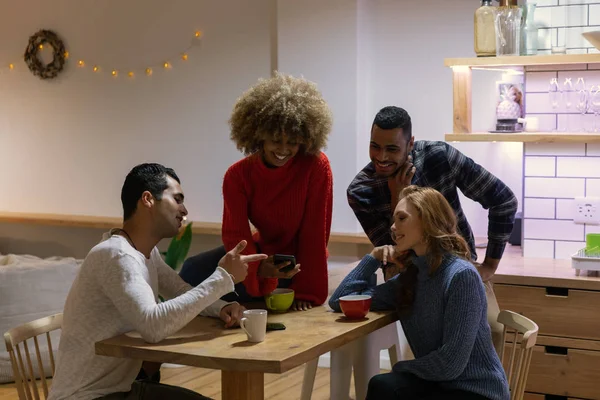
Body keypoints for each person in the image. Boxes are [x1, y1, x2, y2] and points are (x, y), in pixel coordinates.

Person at [48, 163, 266, 400]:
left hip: (121, 390)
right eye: (177, 199)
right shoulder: (117, 255)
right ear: (148, 199)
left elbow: (180, 290)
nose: (184, 210)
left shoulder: (143, 254)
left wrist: (221, 306)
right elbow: (153, 326)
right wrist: (223, 278)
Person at [346, 106, 518, 353]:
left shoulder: (439, 157)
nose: (381, 157)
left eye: (392, 149)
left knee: (493, 331)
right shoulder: (361, 191)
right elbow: (396, 258)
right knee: (430, 346)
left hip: (460, 270)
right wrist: (398, 198)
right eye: (375, 146)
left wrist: (490, 266)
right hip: (412, 278)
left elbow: (503, 200)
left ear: (410, 144)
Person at [329, 186, 510, 400]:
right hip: (440, 384)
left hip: (476, 391)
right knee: (382, 385)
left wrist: (401, 368)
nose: (393, 227)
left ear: (427, 221)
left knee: (385, 386)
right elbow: (340, 302)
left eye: (402, 218)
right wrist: (373, 258)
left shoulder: (461, 276)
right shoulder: (413, 275)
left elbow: (451, 364)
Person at [180, 72, 333, 310]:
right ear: (258, 136)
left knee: (258, 290)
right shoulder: (237, 176)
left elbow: (316, 233)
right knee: (191, 270)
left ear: (304, 138)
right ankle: (237, 304)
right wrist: (258, 269)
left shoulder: (316, 166)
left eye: (292, 142)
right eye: (275, 140)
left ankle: (255, 298)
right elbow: (236, 238)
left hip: (296, 262)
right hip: (260, 255)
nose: (284, 149)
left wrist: (307, 292)